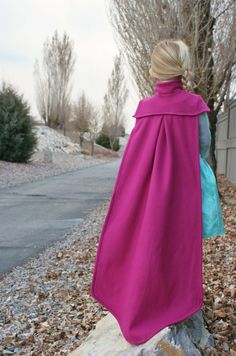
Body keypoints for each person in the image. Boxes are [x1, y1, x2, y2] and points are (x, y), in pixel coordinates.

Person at [89, 39, 225, 345]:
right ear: (181, 68)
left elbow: (134, 158)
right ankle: (171, 301)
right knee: (175, 245)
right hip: (180, 193)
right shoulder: (195, 106)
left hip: (143, 193)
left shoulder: (144, 109)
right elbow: (203, 148)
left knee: (146, 241)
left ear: (155, 70)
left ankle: (139, 296)